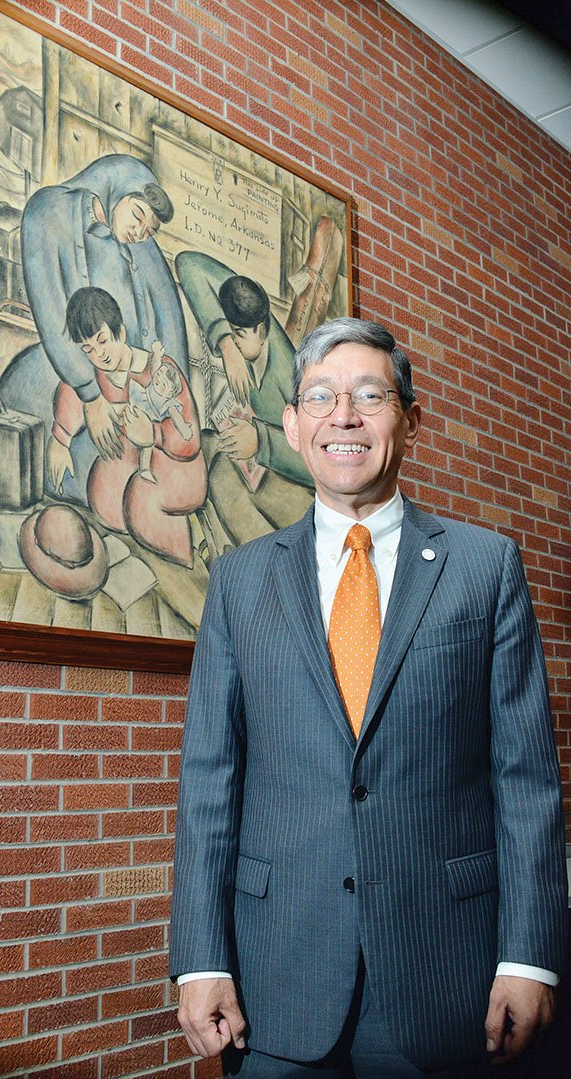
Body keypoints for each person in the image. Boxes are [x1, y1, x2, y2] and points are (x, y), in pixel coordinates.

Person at [169, 317, 568, 1077]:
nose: (342, 416)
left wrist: (531, 957)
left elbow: (526, 782)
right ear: (290, 424)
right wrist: (198, 958)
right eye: (318, 396)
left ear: (409, 420)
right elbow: (208, 782)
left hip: (444, 973)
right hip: (274, 973)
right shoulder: (240, 580)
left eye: (369, 395)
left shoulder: (485, 568)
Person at [0, 154, 188, 505]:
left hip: (131, 383)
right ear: (116, 189)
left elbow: (169, 316)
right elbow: (52, 315)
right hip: (68, 375)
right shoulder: (47, 210)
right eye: (138, 215)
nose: (141, 232)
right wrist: (91, 394)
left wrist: (174, 395)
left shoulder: (141, 244)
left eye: (150, 229)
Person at [50, 287, 206, 568]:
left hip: (176, 463)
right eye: (89, 350)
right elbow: (71, 393)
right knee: (104, 498)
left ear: (120, 333)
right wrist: (60, 439)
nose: (99, 354)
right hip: (133, 457)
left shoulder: (159, 370)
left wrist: (154, 433)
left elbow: (190, 439)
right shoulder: (95, 377)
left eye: (103, 341)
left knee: (140, 503)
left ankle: (187, 557)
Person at [175, 251, 313, 544]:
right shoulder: (245, 312)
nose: (235, 344)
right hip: (253, 462)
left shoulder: (288, 378)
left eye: (239, 334)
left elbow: (317, 460)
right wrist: (225, 342)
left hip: (292, 478)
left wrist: (260, 440)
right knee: (218, 477)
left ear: (262, 332)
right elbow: (188, 263)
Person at [127, 340, 194, 483]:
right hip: (140, 398)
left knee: (147, 444)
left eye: (163, 383)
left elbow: (176, 417)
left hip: (147, 416)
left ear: (170, 392)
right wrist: (157, 354)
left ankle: (144, 469)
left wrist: (183, 429)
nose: (157, 381)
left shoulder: (168, 402)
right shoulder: (155, 384)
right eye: (158, 376)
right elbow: (155, 367)